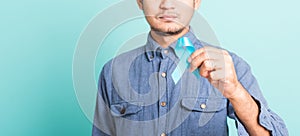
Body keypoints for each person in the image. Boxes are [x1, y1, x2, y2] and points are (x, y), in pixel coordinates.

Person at [92, 0, 288, 135]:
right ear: (139, 1)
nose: (167, 4)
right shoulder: (112, 72)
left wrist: (237, 92)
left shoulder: (231, 67)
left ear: (197, 1)